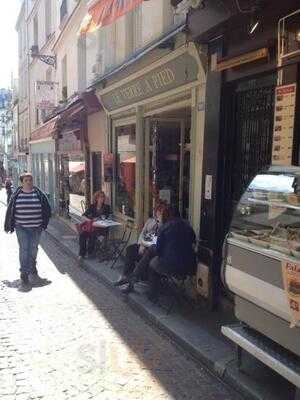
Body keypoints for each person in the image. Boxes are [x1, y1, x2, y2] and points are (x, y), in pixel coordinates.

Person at [4, 173, 51, 290]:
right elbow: (10, 210)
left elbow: (47, 207)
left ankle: (32, 266)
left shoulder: (38, 194)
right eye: (26, 180)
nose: (29, 182)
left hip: (36, 227)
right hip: (21, 227)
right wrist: (9, 225)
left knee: (34, 249)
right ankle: (24, 272)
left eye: (30, 180)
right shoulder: (17, 195)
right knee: (24, 249)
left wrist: (44, 222)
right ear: (22, 182)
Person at [114, 202, 170, 294]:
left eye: (161, 211)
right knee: (130, 249)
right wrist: (141, 245)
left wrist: (161, 221)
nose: (158, 213)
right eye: (158, 211)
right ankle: (126, 276)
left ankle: (131, 282)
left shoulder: (165, 225)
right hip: (145, 246)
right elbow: (142, 233)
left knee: (145, 259)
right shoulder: (150, 221)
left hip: (153, 250)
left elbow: (160, 240)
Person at [147, 207, 197, 302]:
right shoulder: (188, 226)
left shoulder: (164, 227)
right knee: (151, 256)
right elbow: (193, 243)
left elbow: (158, 250)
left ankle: (152, 295)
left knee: (152, 263)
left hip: (170, 266)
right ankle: (135, 277)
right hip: (189, 266)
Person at [78, 191, 111, 259]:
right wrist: (90, 220)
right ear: (97, 198)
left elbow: (108, 218)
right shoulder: (92, 206)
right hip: (91, 227)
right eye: (101, 197)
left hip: (101, 229)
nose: (102, 198)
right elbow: (83, 216)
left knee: (92, 236)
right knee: (82, 235)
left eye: (103, 197)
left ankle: (90, 252)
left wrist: (101, 218)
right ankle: (81, 254)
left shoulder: (107, 207)